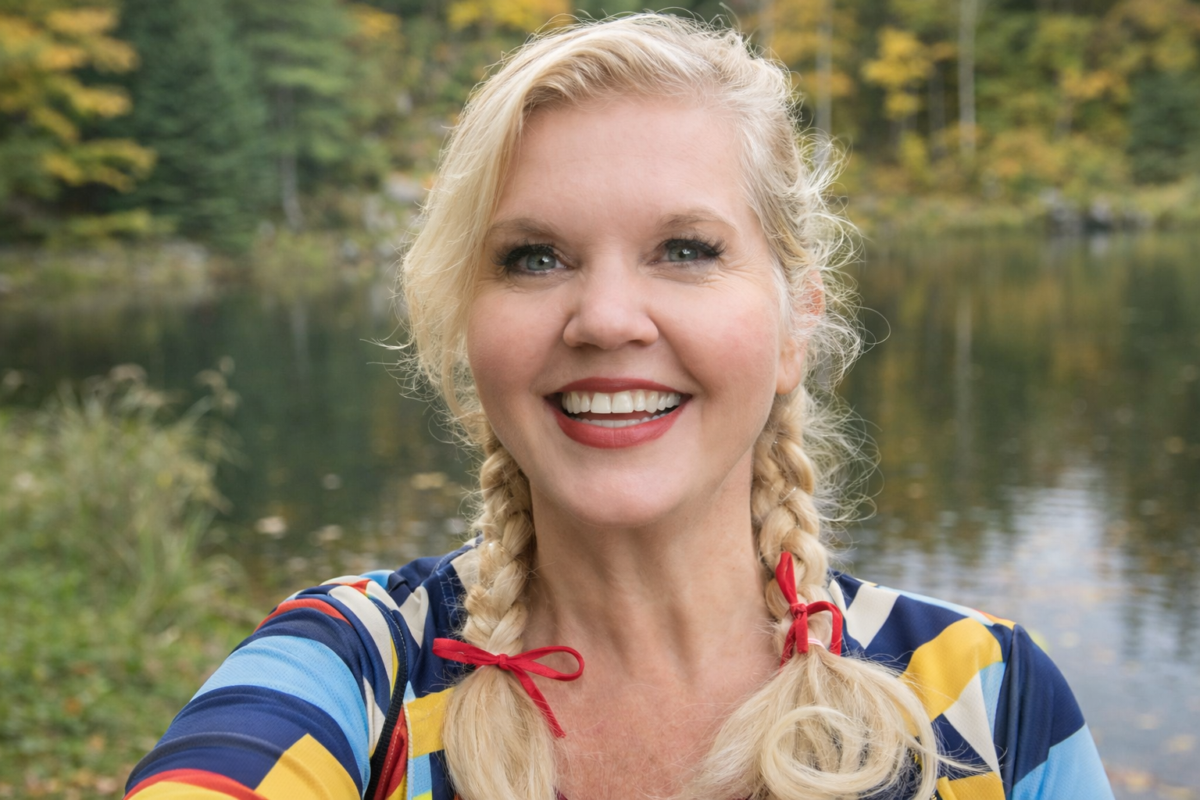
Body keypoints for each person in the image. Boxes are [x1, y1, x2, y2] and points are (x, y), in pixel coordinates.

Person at [125, 14, 1114, 800]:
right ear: (469, 327)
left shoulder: (985, 701)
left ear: (796, 321)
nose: (603, 318)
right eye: (534, 257)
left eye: (685, 249)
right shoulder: (358, 672)